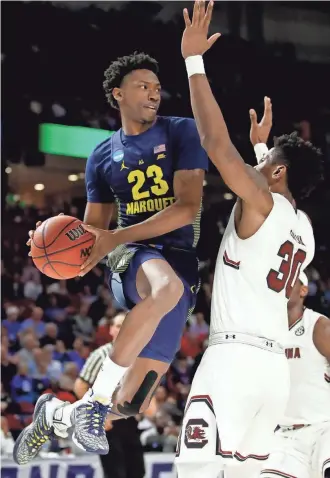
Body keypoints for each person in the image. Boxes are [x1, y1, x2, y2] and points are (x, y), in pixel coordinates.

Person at [13, 51, 208, 464]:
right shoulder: (101, 156)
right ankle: (94, 401)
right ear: (118, 94)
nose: (154, 94)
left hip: (180, 261)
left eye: (157, 88)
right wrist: (48, 243)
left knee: (131, 404)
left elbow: (186, 207)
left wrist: (111, 235)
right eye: (143, 87)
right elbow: (92, 236)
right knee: (164, 286)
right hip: (134, 256)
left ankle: (56, 414)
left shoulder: (181, 132)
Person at [175, 2, 323, 477]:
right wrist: (263, 148)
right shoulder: (306, 230)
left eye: (263, 164)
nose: (253, 168)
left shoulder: (263, 200)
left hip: (234, 360)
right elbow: (270, 195)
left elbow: (217, 146)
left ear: (276, 173)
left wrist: (193, 62)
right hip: (274, 375)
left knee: (194, 471)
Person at [260, 272, 330, 478]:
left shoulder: (319, 326)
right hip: (287, 435)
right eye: (282, 281)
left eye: (292, 282)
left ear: (303, 290)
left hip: (324, 427)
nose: (284, 285)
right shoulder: (266, 332)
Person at [73, 311, 145, 478]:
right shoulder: (101, 354)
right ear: (111, 330)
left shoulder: (138, 356)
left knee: (137, 471)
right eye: (119, 325)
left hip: (129, 418)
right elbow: (80, 385)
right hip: (107, 419)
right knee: (115, 472)